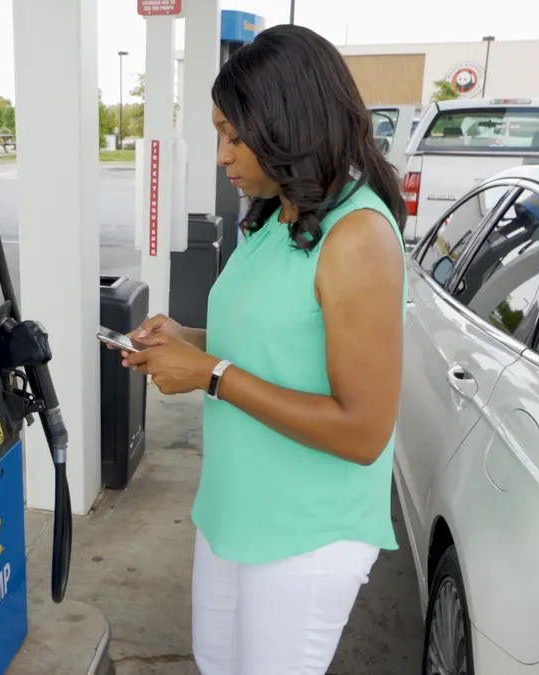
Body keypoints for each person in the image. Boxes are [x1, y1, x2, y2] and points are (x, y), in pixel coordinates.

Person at [117, 24, 408, 675]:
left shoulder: (357, 234)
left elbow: (363, 429)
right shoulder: (275, 215)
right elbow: (265, 342)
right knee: (215, 661)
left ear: (291, 123)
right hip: (234, 507)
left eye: (234, 134)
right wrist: (185, 342)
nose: (222, 155)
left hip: (305, 530)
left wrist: (209, 373)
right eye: (219, 131)